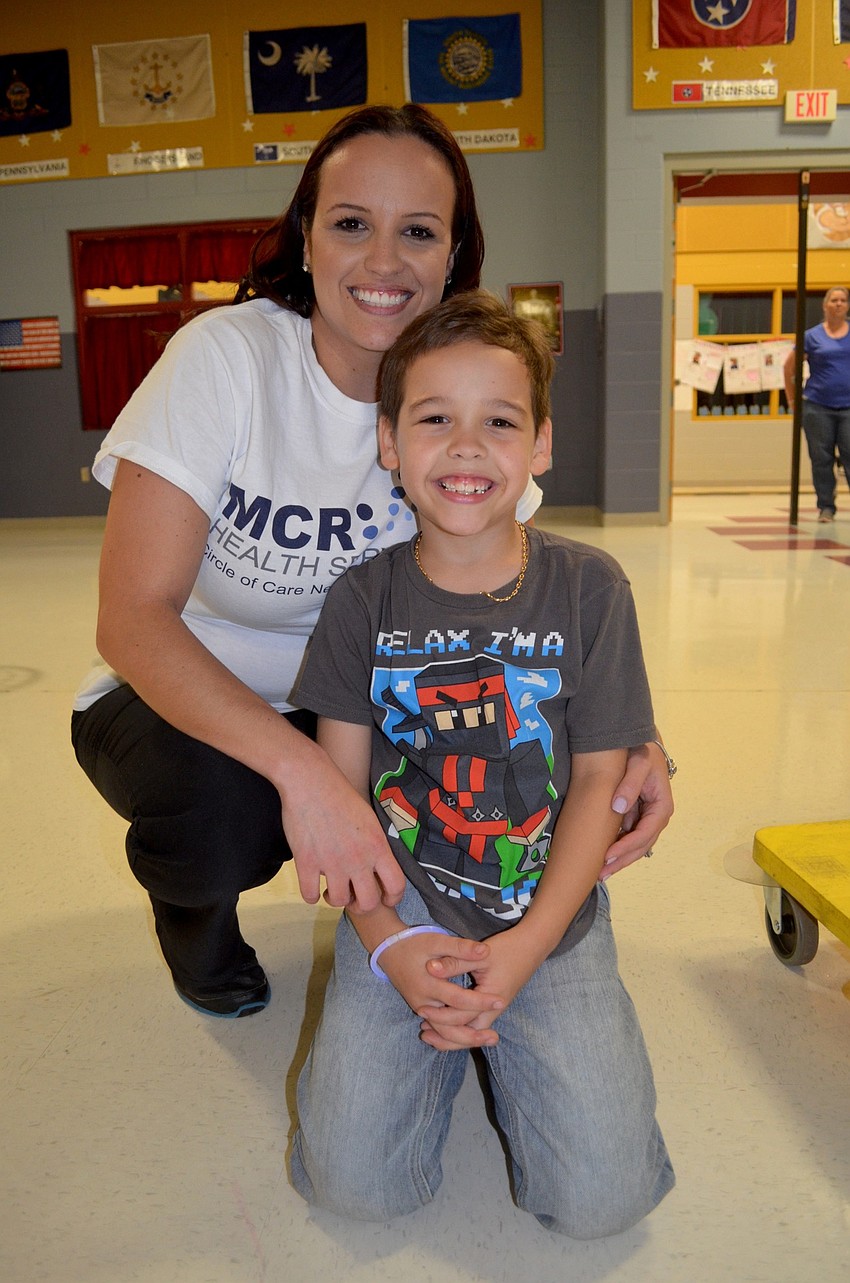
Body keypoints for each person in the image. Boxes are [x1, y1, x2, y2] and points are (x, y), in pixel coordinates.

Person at [70, 103, 674, 1021]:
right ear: (306, 237)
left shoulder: (460, 397)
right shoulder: (225, 361)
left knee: (517, 747)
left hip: (364, 700)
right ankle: (193, 913)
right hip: (176, 699)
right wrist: (304, 772)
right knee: (226, 812)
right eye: (352, 223)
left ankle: (472, 931)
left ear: (452, 254)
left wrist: (636, 739)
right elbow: (132, 620)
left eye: (418, 232)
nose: (384, 261)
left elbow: (533, 608)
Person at [290, 291, 675, 1236]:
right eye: (434, 419)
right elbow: (341, 799)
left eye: (499, 422)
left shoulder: (591, 586)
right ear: (389, 441)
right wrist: (385, 940)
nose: (467, 447)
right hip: (403, 896)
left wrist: (528, 946)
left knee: (603, 1205)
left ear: (541, 443)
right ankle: (447, 1030)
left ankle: (494, 1033)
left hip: (550, 903)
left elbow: (597, 780)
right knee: (353, 1190)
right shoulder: (358, 601)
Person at [784, 285, 850, 522]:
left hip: (848, 408)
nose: (839, 304)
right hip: (818, 406)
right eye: (834, 300)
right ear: (825, 305)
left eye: (843, 300)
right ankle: (826, 507)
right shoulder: (811, 336)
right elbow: (789, 367)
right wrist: (792, 398)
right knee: (821, 458)